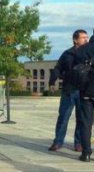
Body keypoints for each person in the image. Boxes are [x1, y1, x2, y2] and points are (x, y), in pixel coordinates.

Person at [48, 29, 88, 152]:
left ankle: (79, 143)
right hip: (69, 90)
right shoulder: (67, 54)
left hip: (83, 91)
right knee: (63, 117)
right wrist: (51, 82)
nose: (86, 39)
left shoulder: (89, 54)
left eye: (87, 37)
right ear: (75, 40)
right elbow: (57, 68)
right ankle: (58, 142)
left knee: (82, 119)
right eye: (83, 37)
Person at [74, 33, 94, 162]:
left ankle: (86, 153)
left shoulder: (82, 49)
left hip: (87, 91)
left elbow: (75, 68)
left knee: (86, 123)